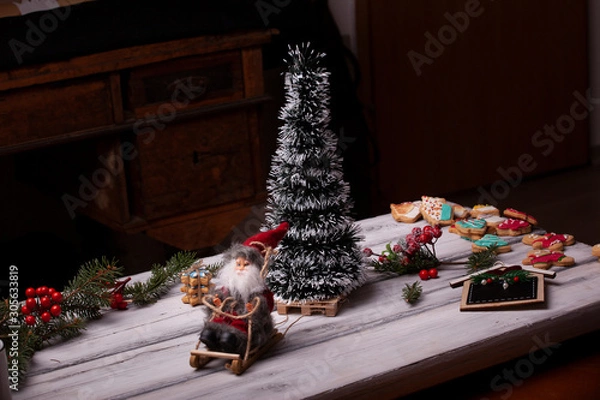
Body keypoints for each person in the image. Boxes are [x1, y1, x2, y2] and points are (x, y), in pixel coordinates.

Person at [200, 222, 288, 355]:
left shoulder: (260, 293)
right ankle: (211, 335)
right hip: (228, 315)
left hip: (247, 322)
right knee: (217, 319)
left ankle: (232, 341)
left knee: (239, 325)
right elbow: (222, 301)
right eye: (238, 264)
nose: (240, 268)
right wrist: (217, 303)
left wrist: (253, 310)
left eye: (246, 264)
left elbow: (265, 308)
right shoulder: (228, 288)